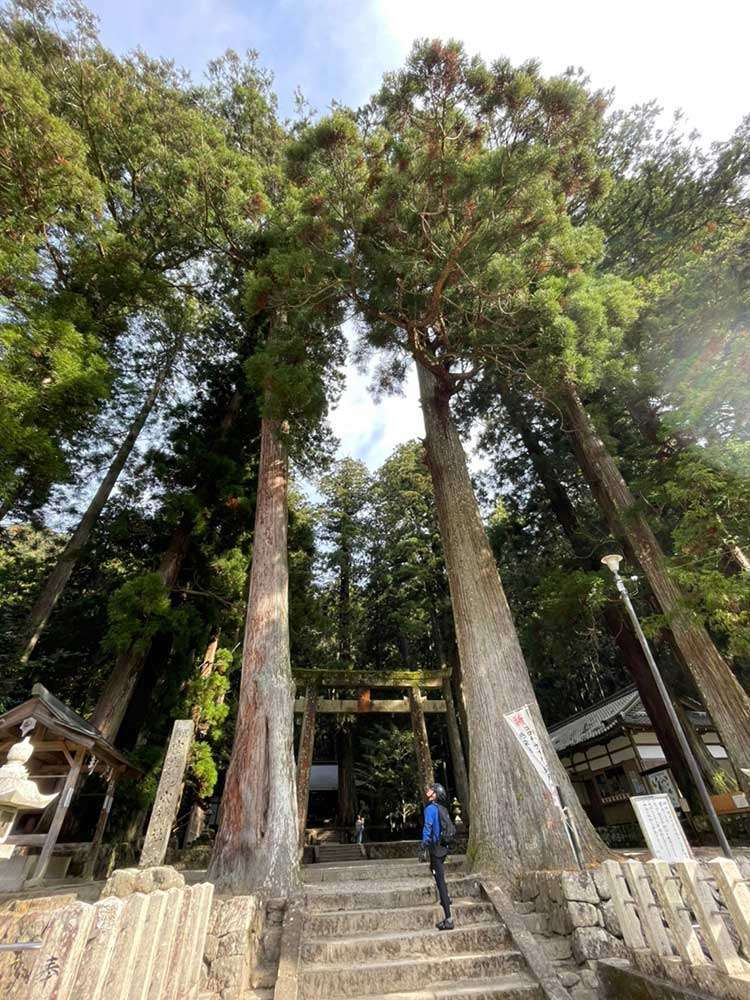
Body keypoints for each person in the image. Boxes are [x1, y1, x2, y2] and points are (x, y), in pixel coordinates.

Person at [418, 782, 453, 930]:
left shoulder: (431, 809)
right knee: (433, 869)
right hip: (444, 848)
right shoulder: (443, 808)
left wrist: (423, 845)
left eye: (431, 790)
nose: (428, 791)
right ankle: (447, 899)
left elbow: (428, 826)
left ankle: (449, 918)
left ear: (435, 794)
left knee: (440, 881)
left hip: (436, 848)